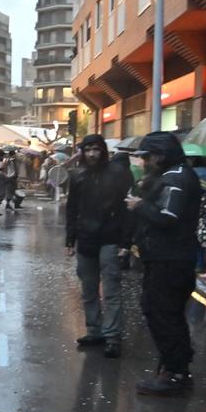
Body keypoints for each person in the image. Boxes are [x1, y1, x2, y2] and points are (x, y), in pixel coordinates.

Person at [127, 131, 201, 396]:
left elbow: (169, 217)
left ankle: (175, 373)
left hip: (171, 258)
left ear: (160, 156)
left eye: (148, 157)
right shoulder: (172, 176)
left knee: (163, 312)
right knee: (162, 311)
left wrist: (139, 206)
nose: (145, 162)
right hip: (165, 256)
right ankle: (174, 367)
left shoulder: (177, 178)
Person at [63, 133, 133, 357]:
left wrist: (126, 243)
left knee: (111, 289)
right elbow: (72, 209)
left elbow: (126, 209)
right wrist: (69, 239)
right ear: (82, 152)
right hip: (85, 238)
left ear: (103, 151)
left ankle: (112, 335)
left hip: (110, 238)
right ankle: (94, 330)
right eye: (88, 149)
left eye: (96, 149)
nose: (92, 154)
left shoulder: (118, 173)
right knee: (88, 289)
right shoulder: (78, 176)